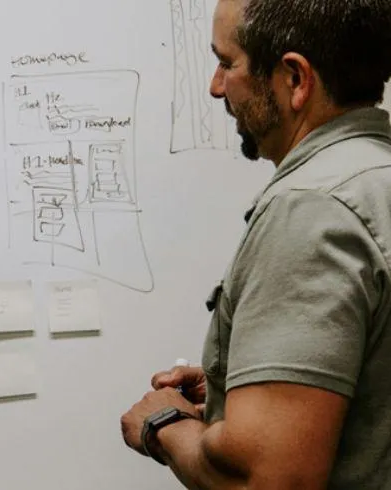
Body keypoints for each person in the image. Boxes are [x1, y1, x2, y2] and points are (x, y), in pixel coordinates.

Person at [120, 0, 391, 488]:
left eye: (227, 63)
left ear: (294, 78)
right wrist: (234, 386)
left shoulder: (311, 209)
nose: (215, 85)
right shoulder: (376, 180)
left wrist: (162, 424)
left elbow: (268, 479)